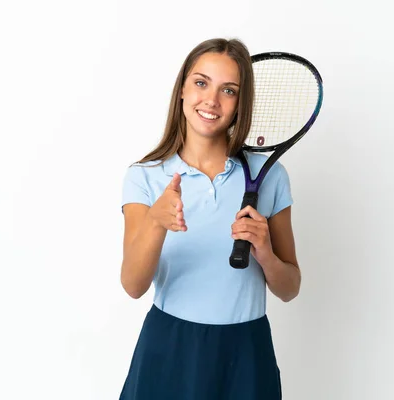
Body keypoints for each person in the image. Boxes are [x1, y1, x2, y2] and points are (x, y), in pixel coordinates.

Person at [119, 38, 301, 400]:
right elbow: (133, 285)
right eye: (201, 83)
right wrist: (156, 221)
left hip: (246, 352)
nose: (212, 101)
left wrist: (264, 252)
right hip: (171, 348)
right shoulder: (145, 176)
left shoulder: (269, 176)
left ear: (240, 103)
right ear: (183, 88)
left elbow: (290, 287)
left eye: (228, 90)